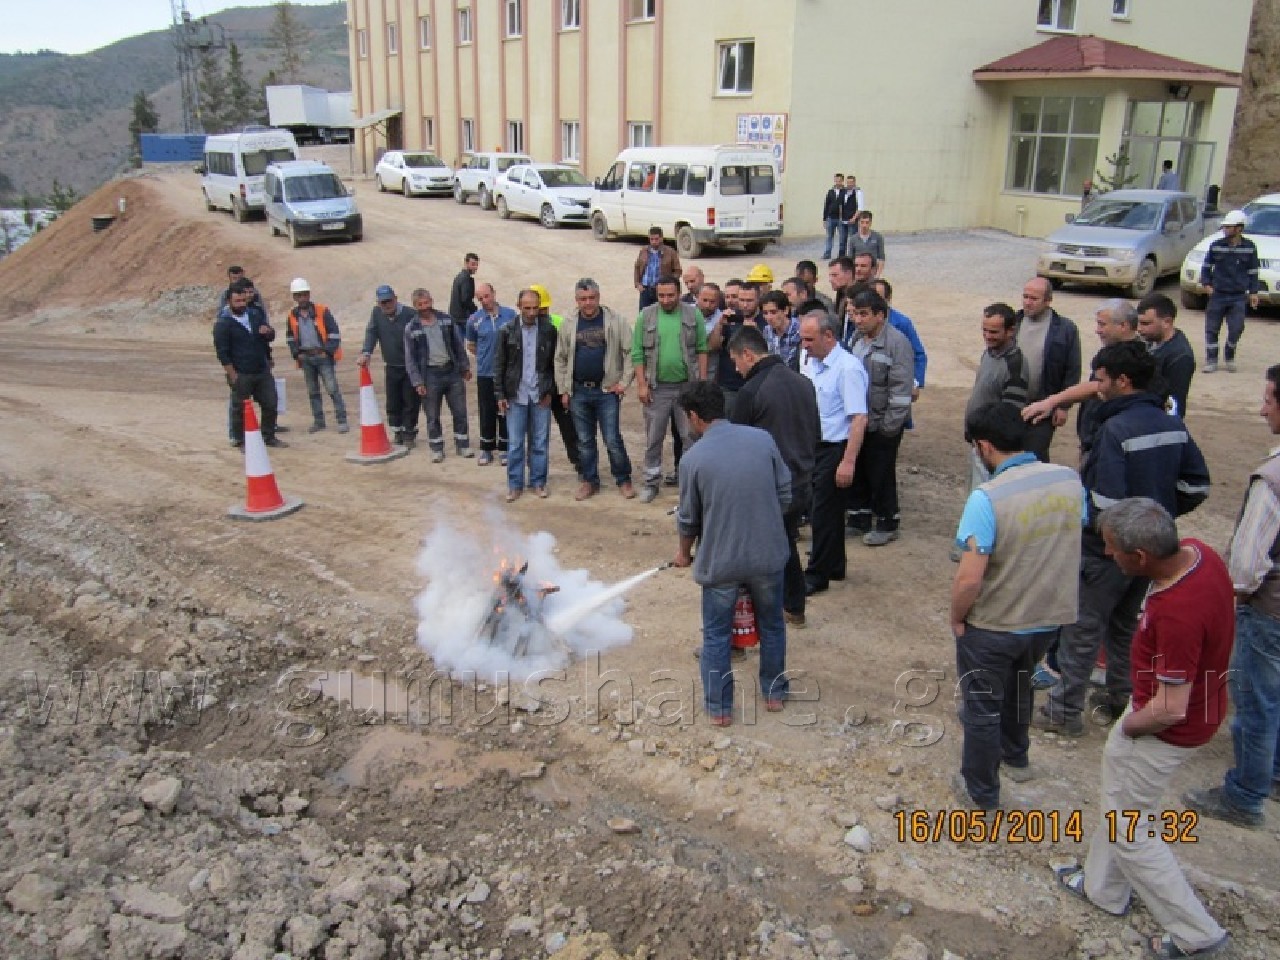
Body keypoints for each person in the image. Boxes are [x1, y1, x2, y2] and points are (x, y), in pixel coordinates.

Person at [1054, 498, 1232, 960]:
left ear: (1140, 558)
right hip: (1199, 710)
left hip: (1162, 727)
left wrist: (1129, 725)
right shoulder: (1199, 555)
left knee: (1131, 830)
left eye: (1112, 549)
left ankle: (1198, 935)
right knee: (1124, 807)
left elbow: (1170, 708)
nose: (1108, 555)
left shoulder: (1176, 612)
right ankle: (1102, 889)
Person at [1036, 342, 1211, 736]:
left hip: (1106, 552)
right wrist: (1158, 520)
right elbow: (1197, 485)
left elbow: (1105, 500)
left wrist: (1112, 534)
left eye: (1100, 379)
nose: (1096, 387)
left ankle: (1063, 712)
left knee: (1083, 629)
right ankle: (1122, 696)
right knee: (1125, 626)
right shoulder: (1171, 424)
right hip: (1150, 552)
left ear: (1122, 381)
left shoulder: (1116, 428)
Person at [951, 402, 1084, 810]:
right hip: (1046, 618)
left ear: (985, 446)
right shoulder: (1068, 480)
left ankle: (980, 793)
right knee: (1020, 687)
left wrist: (958, 617)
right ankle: (1016, 755)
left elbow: (970, 577)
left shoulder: (987, 498)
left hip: (996, 621)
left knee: (982, 706)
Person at [1183, 364, 1280, 830]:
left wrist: (1228, 597)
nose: (1263, 409)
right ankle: (1273, 771)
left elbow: (1246, 566)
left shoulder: (1272, 480)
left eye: (1268, 400)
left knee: (1257, 702)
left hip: (1268, 611)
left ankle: (1245, 796)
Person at [673, 380, 791, 726]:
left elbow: (688, 520)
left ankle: (720, 708)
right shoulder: (762, 440)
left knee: (716, 634)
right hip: (768, 555)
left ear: (695, 417)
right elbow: (785, 494)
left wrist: (683, 554)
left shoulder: (693, 459)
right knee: (772, 625)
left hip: (721, 563)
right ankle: (773, 693)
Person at [729, 324, 819, 628]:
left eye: (736, 361)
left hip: (769, 487)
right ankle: (794, 607)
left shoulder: (751, 392)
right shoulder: (803, 383)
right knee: (786, 541)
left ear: (748, 355)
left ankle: (762, 613)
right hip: (803, 481)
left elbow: (738, 449)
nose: (736, 369)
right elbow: (815, 433)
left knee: (761, 550)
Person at [799, 307, 868, 595]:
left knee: (823, 512)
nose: (804, 345)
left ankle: (816, 575)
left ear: (829, 336)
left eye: (809, 339)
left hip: (835, 447)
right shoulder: (808, 359)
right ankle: (835, 564)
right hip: (814, 443)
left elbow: (859, 418)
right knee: (827, 509)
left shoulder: (848, 368)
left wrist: (848, 462)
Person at [1022, 299, 1141, 460]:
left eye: (1102, 324)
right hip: (1095, 440)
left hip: (1109, 444)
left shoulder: (1132, 357)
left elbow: (1094, 387)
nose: (1097, 330)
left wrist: (1051, 402)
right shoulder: (1112, 350)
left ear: (1123, 326)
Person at [844, 289, 914, 546]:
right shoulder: (856, 340)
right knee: (860, 469)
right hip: (861, 420)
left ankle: (887, 521)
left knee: (881, 473)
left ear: (880, 316)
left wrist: (889, 427)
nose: (858, 320)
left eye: (864, 315)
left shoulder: (897, 344)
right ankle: (859, 517)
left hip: (883, 424)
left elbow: (900, 390)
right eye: (856, 314)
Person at [556, 278, 636, 501]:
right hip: (579, 391)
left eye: (592, 298)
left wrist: (623, 382)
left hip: (607, 391)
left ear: (599, 297)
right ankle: (589, 481)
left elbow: (631, 352)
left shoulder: (615, 321)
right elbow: (560, 358)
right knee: (584, 440)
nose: (588, 303)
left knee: (612, 438)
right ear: (576, 300)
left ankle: (623, 478)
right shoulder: (568, 323)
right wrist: (564, 389)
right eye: (583, 299)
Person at [632, 275, 707, 502]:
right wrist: (642, 385)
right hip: (657, 389)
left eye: (670, 295)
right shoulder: (646, 316)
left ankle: (689, 485)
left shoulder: (693, 314)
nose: (665, 300)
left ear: (679, 293)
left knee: (690, 437)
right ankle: (651, 482)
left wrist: (701, 385)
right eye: (661, 295)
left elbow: (702, 349)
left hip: (687, 388)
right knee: (654, 438)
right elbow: (637, 353)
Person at [495, 290, 558, 500]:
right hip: (516, 395)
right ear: (518, 306)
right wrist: (500, 395)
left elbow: (554, 364)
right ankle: (515, 484)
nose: (531, 313)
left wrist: (550, 390)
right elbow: (500, 365)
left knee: (540, 442)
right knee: (515, 444)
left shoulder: (549, 330)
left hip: (540, 394)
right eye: (527, 308)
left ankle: (538, 482)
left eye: (535, 308)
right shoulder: (506, 330)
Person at [963, 302, 1029, 492]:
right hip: (980, 442)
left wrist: (990, 449)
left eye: (993, 332)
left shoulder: (1015, 366)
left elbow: (1009, 414)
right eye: (984, 330)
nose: (987, 336)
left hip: (992, 449)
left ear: (1010, 331)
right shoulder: (989, 353)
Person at [1014, 277, 1081, 462]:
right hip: (1012, 403)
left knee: (1035, 455)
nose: (1027, 302)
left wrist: (1063, 406)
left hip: (1044, 406)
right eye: (1025, 296)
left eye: (1033, 298)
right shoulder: (1014, 322)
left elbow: (1072, 369)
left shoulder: (1065, 330)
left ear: (1048, 301)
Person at [213, 279, 284, 448]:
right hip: (241, 372)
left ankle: (268, 435)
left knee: (271, 403)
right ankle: (240, 439)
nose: (241, 304)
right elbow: (222, 353)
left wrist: (268, 333)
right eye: (237, 301)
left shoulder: (255, 314)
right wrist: (233, 375)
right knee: (240, 408)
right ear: (229, 301)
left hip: (261, 369)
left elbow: (269, 337)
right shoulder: (223, 325)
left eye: (243, 300)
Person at [405, 288, 473, 462]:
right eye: (420, 304)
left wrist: (464, 367)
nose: (424, 307)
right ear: (415, 306)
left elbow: (458, 345)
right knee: (432, 415)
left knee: (460, 411)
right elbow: (410, 358)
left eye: (427, 303)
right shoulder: (411, 328)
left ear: (431, 301)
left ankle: (463, 445)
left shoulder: (446, 320)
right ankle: (436, 448)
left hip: (452, 372)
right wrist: (417, 382)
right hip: (430, 376)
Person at [531, 284, 582, 481]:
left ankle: (580, 464)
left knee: (570, 429)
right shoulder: (523, 326)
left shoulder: (560, 323)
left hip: (560, 386)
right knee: (536, 432)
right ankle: (536, 471)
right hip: (537, 387)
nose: (539, 312)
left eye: (542, 308)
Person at [284, 277, 348, 434]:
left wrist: (327, 351)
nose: (302, 298)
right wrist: (296, 353)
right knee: (313, 392)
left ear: (309, 294)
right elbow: (290, 337)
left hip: (322, 356)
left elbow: (334, 333)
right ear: (294, 297)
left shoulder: (322, 311)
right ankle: (319, 421)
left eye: (304, 294)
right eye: (299, 295)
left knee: (332, 389)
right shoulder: (292, 315)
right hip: (306, 358)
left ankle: (342, 420)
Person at [1200, 208, 1261, 373]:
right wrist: (1207, 284)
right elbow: (1206, 267)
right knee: (1212, 328)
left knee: (1237, 328)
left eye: (1229, 227)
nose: (1225, 229)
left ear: (1239, 228)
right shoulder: (1216, 246)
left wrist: (1254, 292)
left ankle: (1229, 354)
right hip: (1218, 294)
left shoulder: (1250, 248)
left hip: (1238, 296)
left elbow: (1253, 272)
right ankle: (1211, 359)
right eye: (1225, 227)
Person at [359, 285, 418, 446]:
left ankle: (409, 433)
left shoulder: (410, 314)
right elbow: (372, 332)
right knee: (393, 402)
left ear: (395, 299)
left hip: (409, 368)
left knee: (410, 402)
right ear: (378, 303)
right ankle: (397, 432)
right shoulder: (377, 314)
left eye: (389, 301)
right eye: (383, 302)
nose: (386, 305)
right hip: (391, 366)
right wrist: (366, 352)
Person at [466, 282, 516, 465]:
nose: (484, 301)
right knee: (486, 411)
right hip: (485, 373)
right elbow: (471, 345)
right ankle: (486, 449)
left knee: (504, 410)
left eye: (486, 296)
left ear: (493, 293)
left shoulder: (510, 315)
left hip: (506, 373)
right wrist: (485, 356)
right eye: (480, 299)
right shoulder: (474, 320)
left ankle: (504, 448)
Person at [1137, 293, 1196, 419]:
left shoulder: (1180, 357)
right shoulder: (1150, 341)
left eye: (1145, 323)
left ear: (1167, 322)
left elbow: (1174, 406)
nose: (1139, 329)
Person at [633, 226, 681, 311]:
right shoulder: (644, 250)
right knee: (644, 315)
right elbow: (637, 267)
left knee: (660, 313)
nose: (654, 242)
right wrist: (637, 284)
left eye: (656, 239)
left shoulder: (670, 252)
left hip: (661, 290)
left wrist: (669, 284)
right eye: (652, 239)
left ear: (662, 238)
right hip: (645, 289)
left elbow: (678, 271)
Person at [760, 290, 801, 367]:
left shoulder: (800, 330)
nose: (769, 317)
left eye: (773, 312)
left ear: (786, 310)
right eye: (765, 313)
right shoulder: (767, 331)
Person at [846, 212, 885, 277]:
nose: (864, 225)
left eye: (867, 222)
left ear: (870, 223)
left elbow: (881, 257)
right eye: (862, 222)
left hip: (872, 272)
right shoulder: (853, 239)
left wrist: (878, 275)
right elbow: (850, 258)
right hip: (858, 272)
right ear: (858, 222)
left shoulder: (878, 237)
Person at [448, 253, 480, 323]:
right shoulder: (465, 278)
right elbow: (465, 300)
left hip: (456, 317)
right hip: (461, 318)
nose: (475, 267)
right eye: (473, 264)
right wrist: (476, 311)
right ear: (466, 263)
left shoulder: (460, 276)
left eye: (477, 265)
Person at [821, 173, 846, 260]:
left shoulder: (845, 192)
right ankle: (827, 253)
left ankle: (841, 255)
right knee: (829, 237)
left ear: (842, 181)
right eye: (836, 180)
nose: (837, 182)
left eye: (839, 180)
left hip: (841, 218)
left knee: (842, 237)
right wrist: (824, 219)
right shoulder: (830, 192)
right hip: (830, 218)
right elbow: (826, 205)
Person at [841, 174, 865, 255]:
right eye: (848, 182)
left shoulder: (858, 193)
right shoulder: (843, 192)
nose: (849, 184)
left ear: (854, 182)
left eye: (851, 182)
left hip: (852, 220)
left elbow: (860, 208)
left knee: (853, 239)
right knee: (842, 239)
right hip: (843, 220)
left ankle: (853, 255)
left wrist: (854, 218)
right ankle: (842, 256)